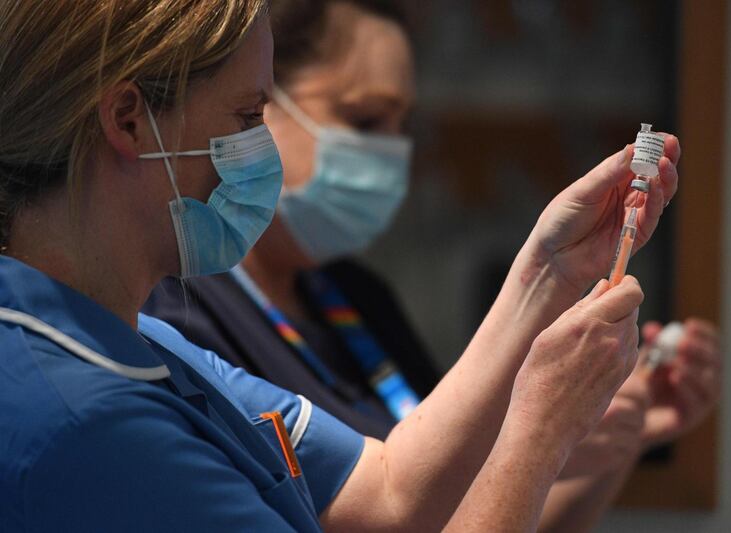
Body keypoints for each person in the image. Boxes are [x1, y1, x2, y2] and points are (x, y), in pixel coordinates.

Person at [0, 1, 679, 531]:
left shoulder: (146, 344)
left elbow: (388, 491)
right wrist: (539, 429)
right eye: (245, 115)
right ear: (128, 119)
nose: (258, 147)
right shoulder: (89, 427)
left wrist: (548, 270)